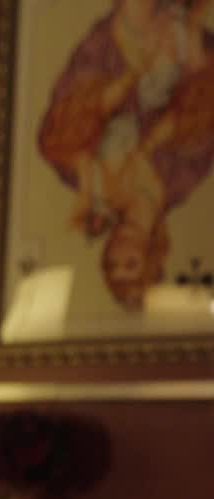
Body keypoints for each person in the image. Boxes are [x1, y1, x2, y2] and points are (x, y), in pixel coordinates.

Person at [38, 0, 214, 310]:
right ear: (152, 256)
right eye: (130, 263)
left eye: (111, 263)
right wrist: (147, 146)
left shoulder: (90, 187)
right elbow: (200, 117)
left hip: (117, 61)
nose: (118, 253)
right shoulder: (181, 181)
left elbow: (57, 135)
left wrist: (135, 73)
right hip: (181, 52)